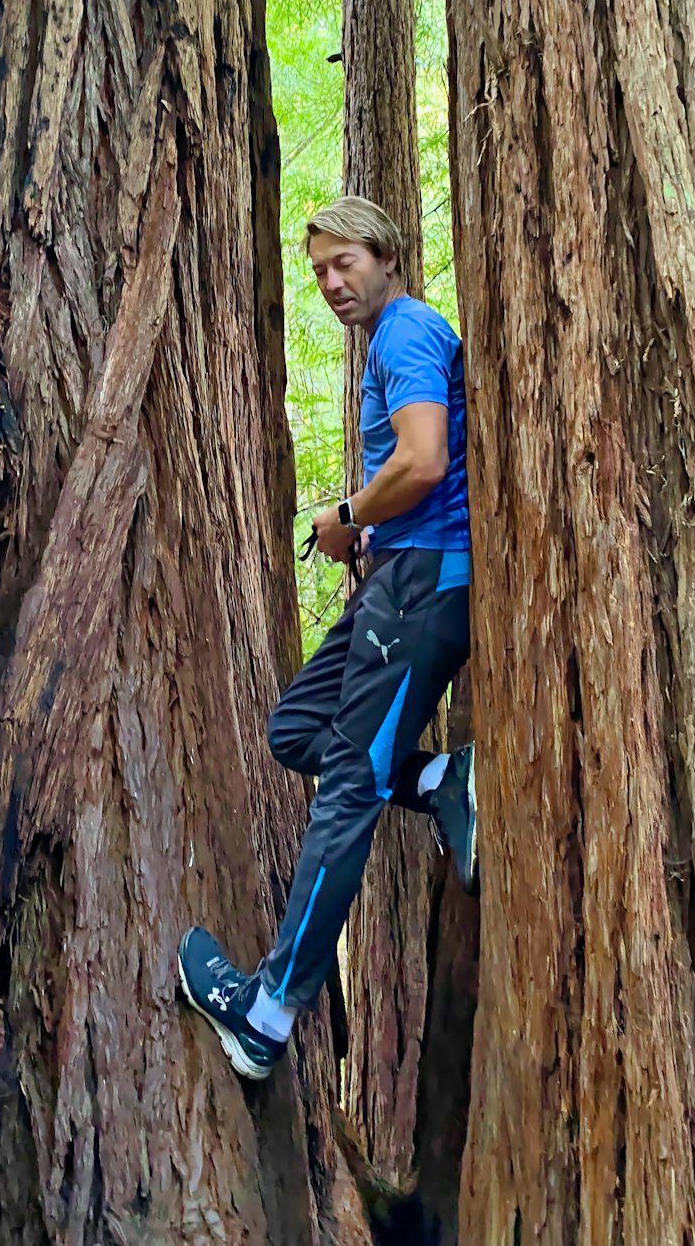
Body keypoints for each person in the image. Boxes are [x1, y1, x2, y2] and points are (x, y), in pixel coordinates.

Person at [177, 196, 476, 1079]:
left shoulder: (407, 331)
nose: (331, 283)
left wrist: (346, 511)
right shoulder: (390, 340)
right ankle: (438, 778)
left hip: (425, 584)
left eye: (344, 263)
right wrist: (364, 533)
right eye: (317, 272)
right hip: (394, 577)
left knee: (347, 784)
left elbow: (423, 461)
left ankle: (265, 1017)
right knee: (294, 731)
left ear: (384, 254)